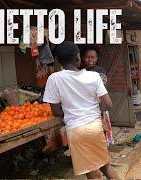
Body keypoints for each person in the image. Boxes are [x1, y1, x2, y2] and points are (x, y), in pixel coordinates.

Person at [43, 41, 118, 179]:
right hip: (95, 126)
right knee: (106, 167)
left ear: (58, 60)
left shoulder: (54, 79)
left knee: (92, 173)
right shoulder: (94, 76)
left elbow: (56, 111)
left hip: (76, 130)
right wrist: (94, 109)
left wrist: (71, 110)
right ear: (78, 58)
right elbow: (108, 104)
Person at [82, 47, 114, 145]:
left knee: (101, 130)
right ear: (83, 58)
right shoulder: (81, 71)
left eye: (93, 57)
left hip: (99, 105)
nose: (90, 60)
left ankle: (103, 150)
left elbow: (100, 89)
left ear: (96, 59)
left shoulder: (99, 70)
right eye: (88, 57)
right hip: (87, 106)